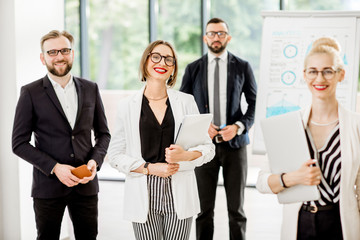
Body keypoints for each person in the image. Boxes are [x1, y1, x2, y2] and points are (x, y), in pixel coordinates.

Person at [107, 40, 215, 240]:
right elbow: (114, 155)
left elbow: (208, 148)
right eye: (156, 56)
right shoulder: (127, 106)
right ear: (146, 61)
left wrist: (187, 155)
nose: (162, 62)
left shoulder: (186, 102)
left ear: (173, 69)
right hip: (143, 192)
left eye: (169, 59)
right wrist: (149, 168)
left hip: (180, 192)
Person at [256, 37, 360, 240]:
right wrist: (293, 178)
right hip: (300, 225)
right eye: (313, 71)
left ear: (341, 75)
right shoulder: (287, 126)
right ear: (304, 75)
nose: (319, 79)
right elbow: (261, 182)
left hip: (341, 226)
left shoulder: (356, 126)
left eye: (328, 71)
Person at [12, 30, 111, 240]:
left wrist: (95, 161)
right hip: (47, 187)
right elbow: (19, 143)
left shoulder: (91, 88)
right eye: (52, 52)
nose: (59, 56)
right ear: (43, 57)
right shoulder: (30, 92)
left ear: (72, 53)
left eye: (64, 50)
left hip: (86, 185)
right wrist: (55, 168)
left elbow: (103, 134)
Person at [180, 18, 257, 240]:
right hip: (202, 148)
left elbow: (254, 103)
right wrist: (201, 127)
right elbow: (184, 106)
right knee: (203, 210)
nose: (216, 37)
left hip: (236, 146)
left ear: (228, 37)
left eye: (221, 33)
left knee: (237, 210)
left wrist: (239, 126)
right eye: (212, 33)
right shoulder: (193, 68)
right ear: (205, 38)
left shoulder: (242, 66)